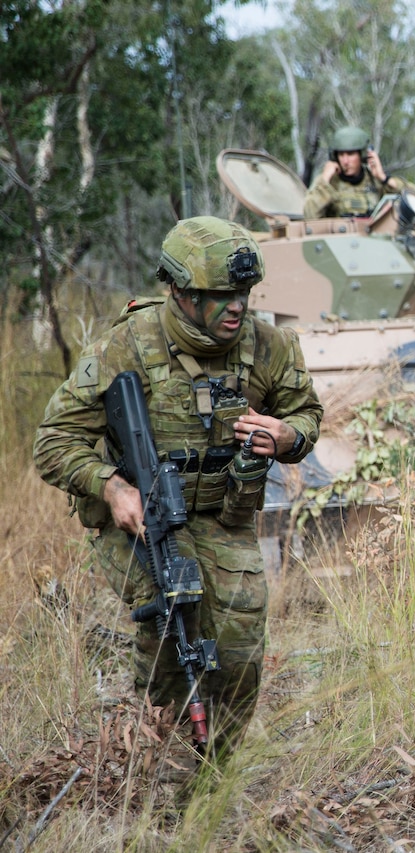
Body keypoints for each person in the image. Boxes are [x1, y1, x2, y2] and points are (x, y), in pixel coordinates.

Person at [34, 216, 324, 763]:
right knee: (169, 630)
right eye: (219, 295)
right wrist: (112, 488)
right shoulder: (128, 345)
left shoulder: (271, 346)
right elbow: (54, 440)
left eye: (243, 292)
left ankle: (214, 772)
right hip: (141, 518)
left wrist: (288, 436)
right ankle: (153, 772)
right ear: (179, 291)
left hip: (225, 514)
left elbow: (305, 414)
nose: (236, 306)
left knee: (238, 650)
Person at [302, 125, 414, 219]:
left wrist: (383, 178)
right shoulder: (327, 183)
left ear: (363, 155)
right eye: (341, 155)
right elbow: (309, 216)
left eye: (350, 154)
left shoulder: (375, 181)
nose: (345, 161)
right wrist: (325, 179)